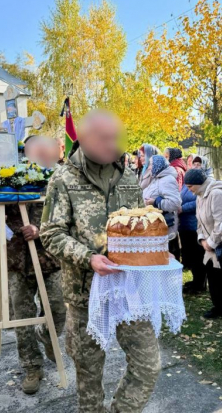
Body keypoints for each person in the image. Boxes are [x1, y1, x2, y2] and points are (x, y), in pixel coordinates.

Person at [41, 110, 161, 413]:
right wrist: (88, 258)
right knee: (89, 377)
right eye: (104, 138)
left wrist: (157, 248)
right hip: (85, 295)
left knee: (148, 365)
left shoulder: (129, 176)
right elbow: (51, 234)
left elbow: (140, 223)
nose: (112, 144)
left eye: (115, 138)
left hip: (127, 290)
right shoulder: (63, 179)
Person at [0, 136, 65, 395]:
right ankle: (32, 366)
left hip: (49, 257)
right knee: (23, 316)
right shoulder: (6, 175)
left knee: (57, 308)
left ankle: (47, 333)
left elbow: (67, 216)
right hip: (17, 259)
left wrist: (41, 230)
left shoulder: (58, 178)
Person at [185, 168, 222, 319]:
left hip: (221, 244)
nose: (189, 190)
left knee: (220, 277)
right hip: (208, 243)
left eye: (190, 187)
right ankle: (217, 305)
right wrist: (202, 239)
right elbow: (199, 221)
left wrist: (211, 243)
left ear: (198, 183)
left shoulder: (217, 194)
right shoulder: (200, 195)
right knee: (212, 276)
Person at [142, 155, 181, 251]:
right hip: (156, 226)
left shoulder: (167, 180)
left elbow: (175, 203)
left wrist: (155, 202)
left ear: (158, 165)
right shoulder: (157, 178)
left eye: (151, 164)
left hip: (165, 227)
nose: (149, 167)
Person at [178, 175, 207, 293]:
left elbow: (198, 201)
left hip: (194, 225)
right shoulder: (187, 183)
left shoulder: (201, 187)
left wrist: (183, 208)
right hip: (185, 225)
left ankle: (200, 284)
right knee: (191, 256)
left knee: (198, 257)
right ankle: (195, 281)